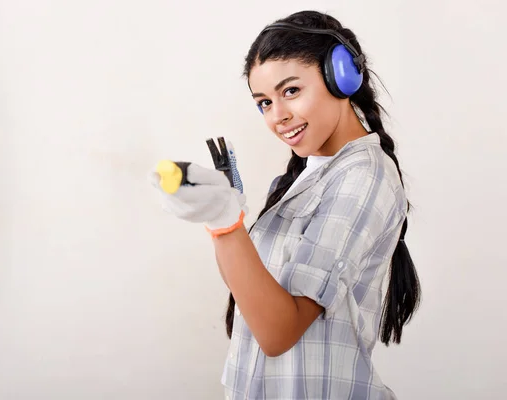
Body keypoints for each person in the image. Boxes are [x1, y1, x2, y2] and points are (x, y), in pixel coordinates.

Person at [149, 10, 421, 400]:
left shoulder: (364, 175)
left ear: (342, 74)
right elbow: (251, 291)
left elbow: (279, 333)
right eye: (263, 102)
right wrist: (221, 221)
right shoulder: (302, 177)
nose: (277, 116)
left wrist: (225, 223)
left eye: (291, 91)